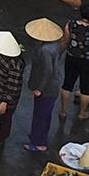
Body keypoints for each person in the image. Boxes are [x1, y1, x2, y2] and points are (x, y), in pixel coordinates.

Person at [21, 18, 64, 155]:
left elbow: (47, 71)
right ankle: (38, 138)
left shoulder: (45, 50)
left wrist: (40, 88)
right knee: (44, 115)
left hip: (47, 88)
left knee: (41, 115)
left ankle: (38, 142)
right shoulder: (54, 45)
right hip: (52, 86)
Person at [61, 2, 89, 123]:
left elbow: (65, 41)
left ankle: (63, 111)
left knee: (67, 84)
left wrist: (59, 53)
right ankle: (82, 113)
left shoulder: (71, 24)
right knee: (86, 88)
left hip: (71, 58)